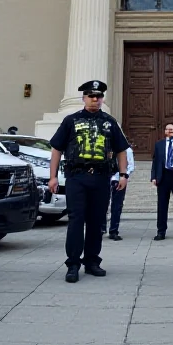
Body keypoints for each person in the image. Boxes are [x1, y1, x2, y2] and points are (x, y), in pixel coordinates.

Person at [49, 80, 129, 283]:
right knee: (76, 220)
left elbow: (121, 150)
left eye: (99, 96)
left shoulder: (110, 122)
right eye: (91, 96)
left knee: (96, 221)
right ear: (84, 98)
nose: (95, 100)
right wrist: (53, 177)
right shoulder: (71, 120)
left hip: (101, 177)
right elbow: (57, 148)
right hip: (77, 176)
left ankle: (92, 261)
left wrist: (123, 174)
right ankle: (73, 264)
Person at [103, 143, 134, 240]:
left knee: (117, 206)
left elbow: (131, 166)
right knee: (101, 205)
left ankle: (114, 230)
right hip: (104, 179)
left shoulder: (126, 149)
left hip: (118, 179)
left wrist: (123, 176)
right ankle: (100, 228)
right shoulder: (104, 147)